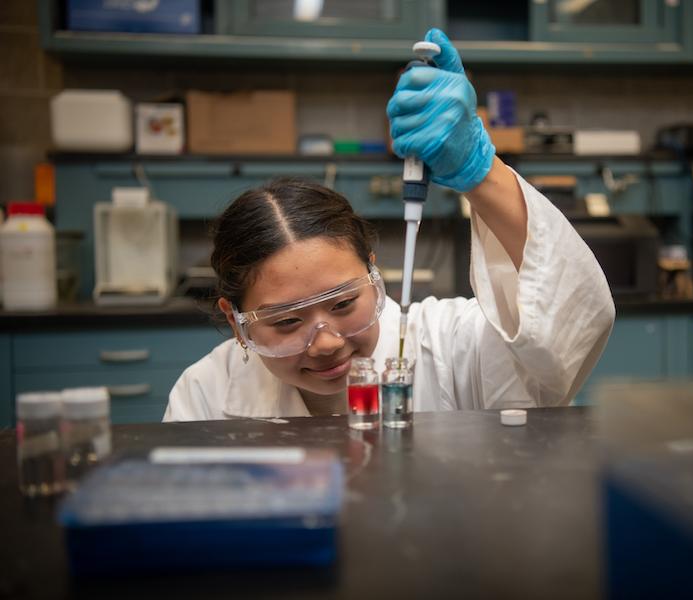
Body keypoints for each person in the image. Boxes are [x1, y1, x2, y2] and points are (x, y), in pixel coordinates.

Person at [163, 29, 615, 422]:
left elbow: (572, 320)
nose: (325, 343)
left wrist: (482, 172)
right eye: (287, 321)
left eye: (343, 305)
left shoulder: (447, 346)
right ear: (237, 322)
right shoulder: (204, 395)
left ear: (373, 276)